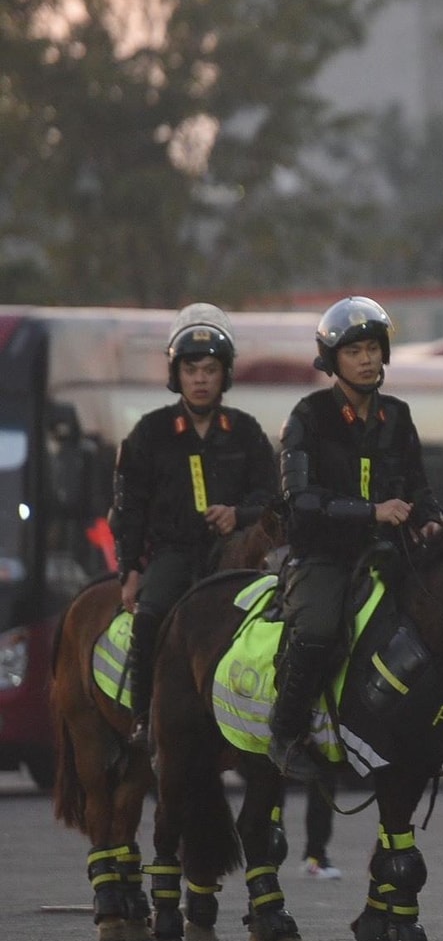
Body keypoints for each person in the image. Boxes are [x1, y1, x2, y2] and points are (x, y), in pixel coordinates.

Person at [270, 297, 443, 780]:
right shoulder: (307, 416)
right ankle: (286, 733)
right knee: (319, 630)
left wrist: (428, 519)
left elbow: (419, 488)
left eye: (372, 348)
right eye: (353, 352)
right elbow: (299, 503)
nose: (367, 359)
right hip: (324, 556)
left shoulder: (398, 416)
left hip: (391, 554)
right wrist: (372, 511)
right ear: (332, 361)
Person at [110, 304, 276, 748]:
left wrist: (238, 515)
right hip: (173, 553)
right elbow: (129, 509)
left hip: (234, 557)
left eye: (210, 369)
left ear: (225, 375)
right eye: (191, 369)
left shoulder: (246, 432)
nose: (201, 378)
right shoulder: (150, 432)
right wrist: (130, 570)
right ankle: (145, 719)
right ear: (176, 374)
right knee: (149, 621)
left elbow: (273, 499)